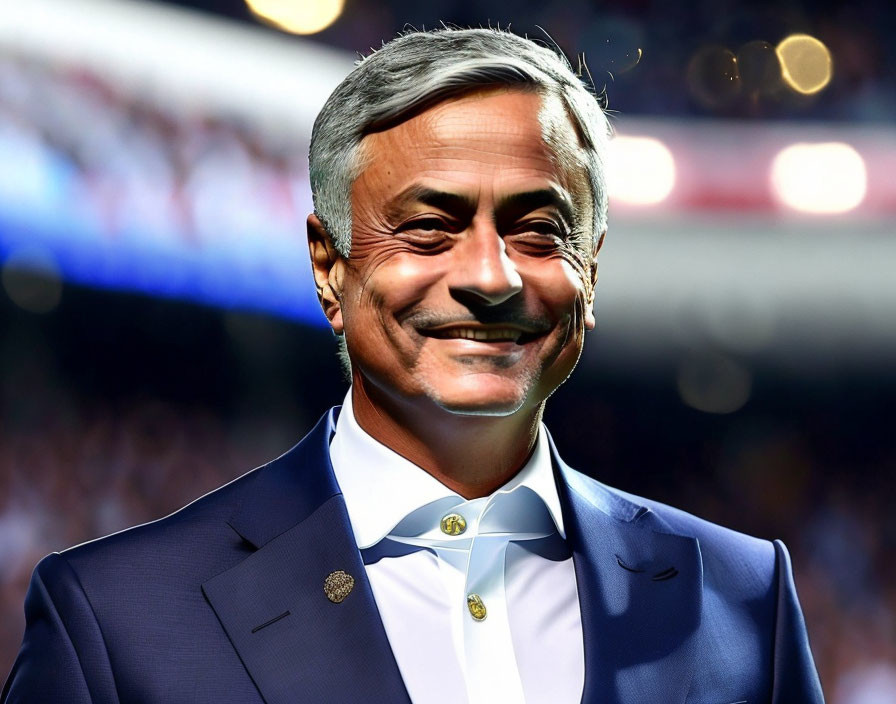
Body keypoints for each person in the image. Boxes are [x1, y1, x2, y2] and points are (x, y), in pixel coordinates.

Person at [2, 28, 823, 704]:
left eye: (539, 230)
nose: (491, 276)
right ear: (330, 266)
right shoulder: (114, 624)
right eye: (430, 228)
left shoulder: (744, 599)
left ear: (592, 270)